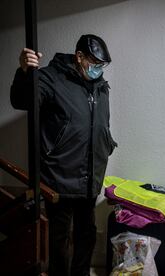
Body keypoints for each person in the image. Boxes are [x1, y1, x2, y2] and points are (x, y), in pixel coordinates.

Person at [10, 34, 117, 276]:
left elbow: (100, 126)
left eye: (103, 65)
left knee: (86, 235)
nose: (99, 69)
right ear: (79, 57)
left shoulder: (101, 87)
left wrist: (106, 145)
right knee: (59, 240)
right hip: (59, 176)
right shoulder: (51, 77)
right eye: (94, 63)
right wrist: (25, 72)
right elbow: (22, 100)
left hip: (90, 176)